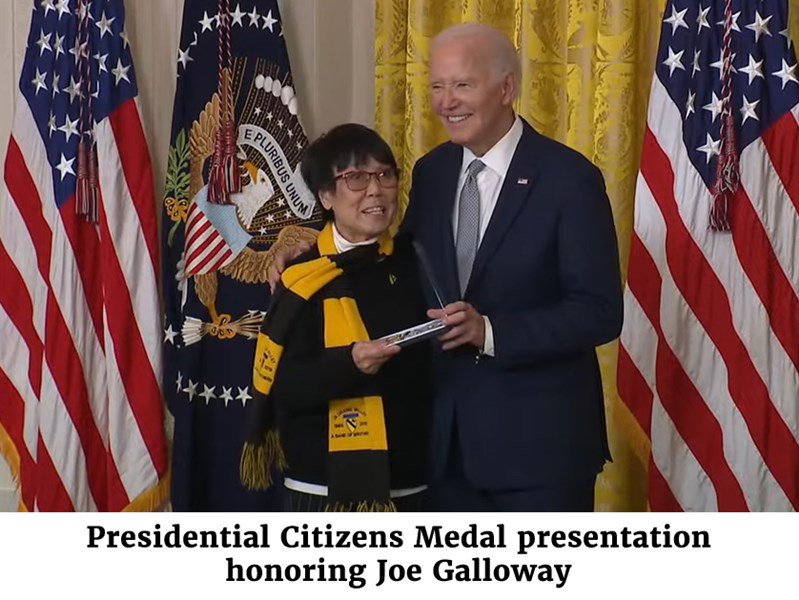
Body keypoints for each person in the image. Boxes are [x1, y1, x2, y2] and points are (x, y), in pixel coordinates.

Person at [400, 23, 623, 511]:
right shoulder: (433, 171)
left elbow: (599, 311)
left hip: (539, 455)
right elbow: (401, 269)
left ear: (506, 88)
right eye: (437, 86)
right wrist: (316, 253)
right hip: (446, 449)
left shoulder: (569, 179)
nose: (445, 102)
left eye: (462, 85)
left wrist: (491, 332)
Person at [241, 124, 433, 511]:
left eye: (385, 175)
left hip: (415, 482)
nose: (375, 190)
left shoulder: (420, 260)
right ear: (326, 195)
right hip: (321, 489)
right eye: (356, 178)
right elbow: (287, 390)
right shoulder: (301, 276)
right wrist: (351, 364)